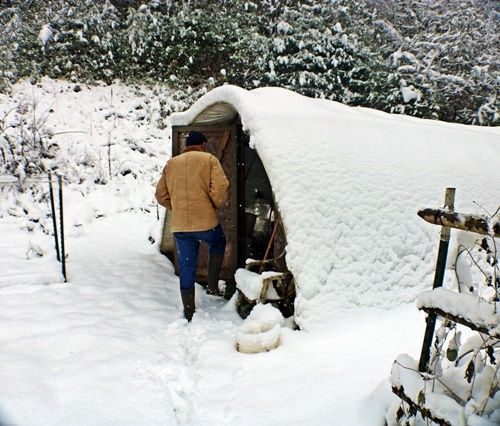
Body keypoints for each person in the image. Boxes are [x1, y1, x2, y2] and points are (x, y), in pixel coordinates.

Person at [155, 131, 229, 322]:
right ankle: (212, 286)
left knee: (187, 264)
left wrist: (177, 207)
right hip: (206, 223)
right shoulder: (210, 159)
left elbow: (160, 194)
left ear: (187, 145)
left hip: (181, 226)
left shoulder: (172, 164)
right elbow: (221, 187)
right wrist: (214, 204)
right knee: (218, 242)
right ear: (203, 144)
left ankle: (189, 309)